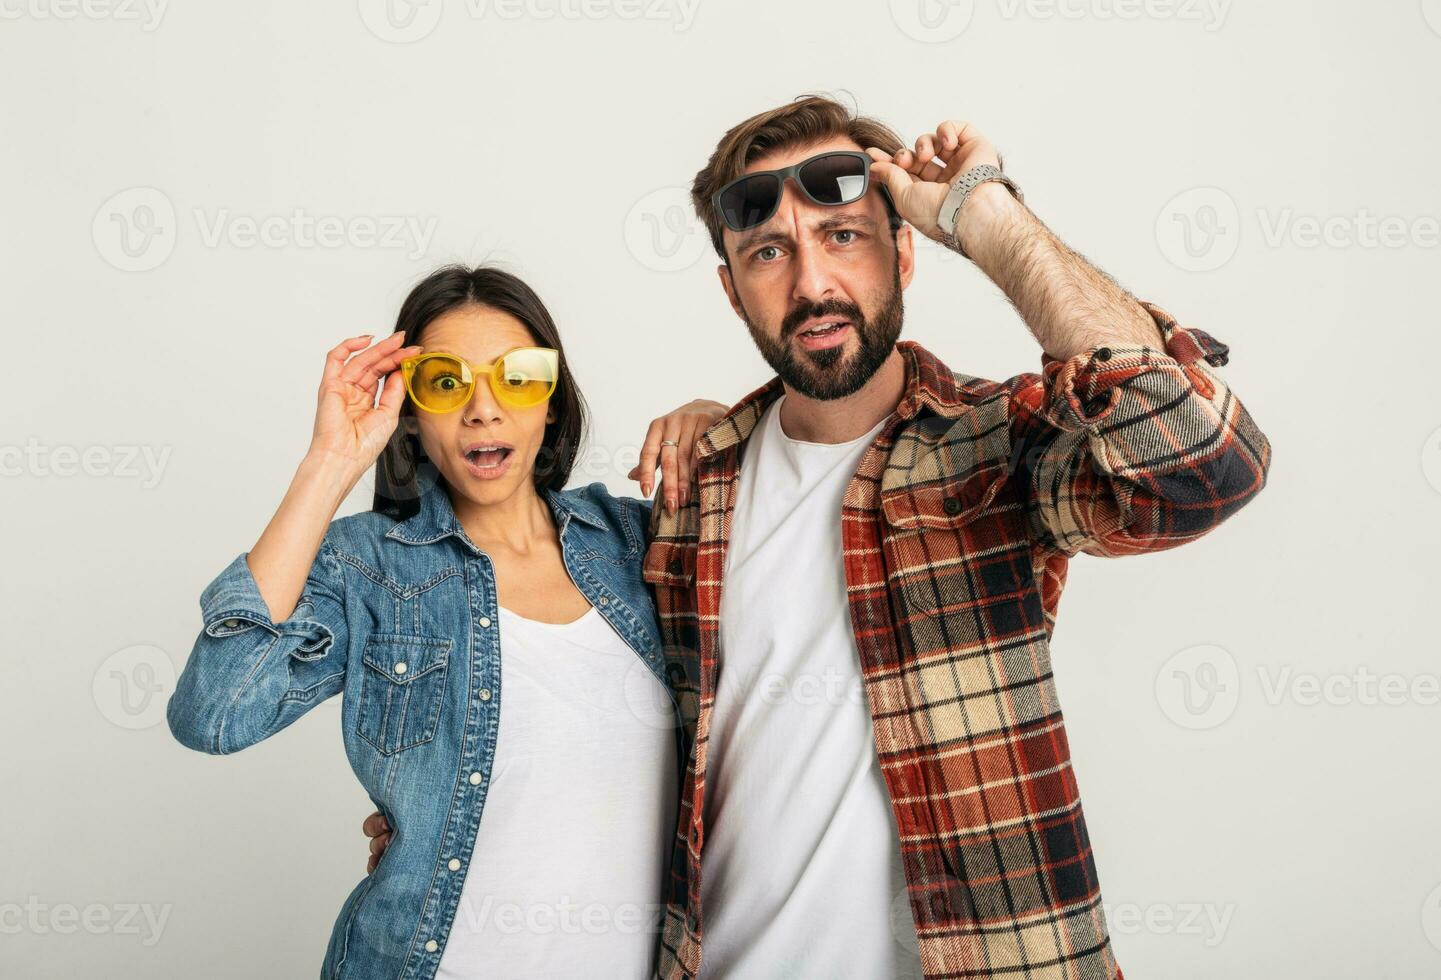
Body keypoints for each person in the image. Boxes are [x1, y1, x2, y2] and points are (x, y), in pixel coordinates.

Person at [367, 96, 1272, 979]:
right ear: (732, 290)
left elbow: (1206, 465)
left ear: (906, 252)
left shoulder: (999, 452)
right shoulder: (688, 493)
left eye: (842, 236)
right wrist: (435, 814)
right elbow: (581, 703)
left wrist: (991, 220)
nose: (810, 284)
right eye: (769, 252)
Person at [167, 264, 726, 979]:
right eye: (445, 382)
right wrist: (330, 461)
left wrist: (727, 424)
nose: (484, 409)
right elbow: (213, 714)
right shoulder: (367, 565)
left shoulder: (636, 543)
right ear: (410, 411)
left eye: (517, 377)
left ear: (552, 400)